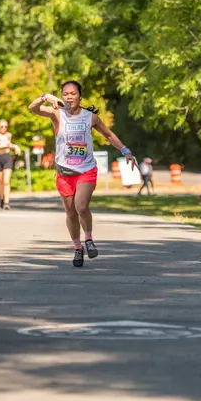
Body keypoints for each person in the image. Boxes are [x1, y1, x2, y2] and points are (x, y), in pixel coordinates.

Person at [28, 80, 138, 267]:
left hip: (86, 170)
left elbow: (108, 135)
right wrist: (45, 97)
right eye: (65, 93)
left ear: (80, 96)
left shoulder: (90, 117)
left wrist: (125, 150)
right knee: (70, 212)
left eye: (73, 93)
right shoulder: (57, 114)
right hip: (64, 172)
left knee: (81, 206)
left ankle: (88, 239)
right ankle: (78, 248)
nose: (69, 96)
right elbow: (33, 108)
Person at [0, 120, 21, 210]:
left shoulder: (8, 135)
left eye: (6, 126)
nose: (4, 128)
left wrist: (16, 147)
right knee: (1, 181)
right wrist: (0, 146)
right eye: (2, 126)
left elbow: (9, 145)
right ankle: (1, 197)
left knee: (6, 180)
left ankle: (7, 202)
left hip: (7, 158)